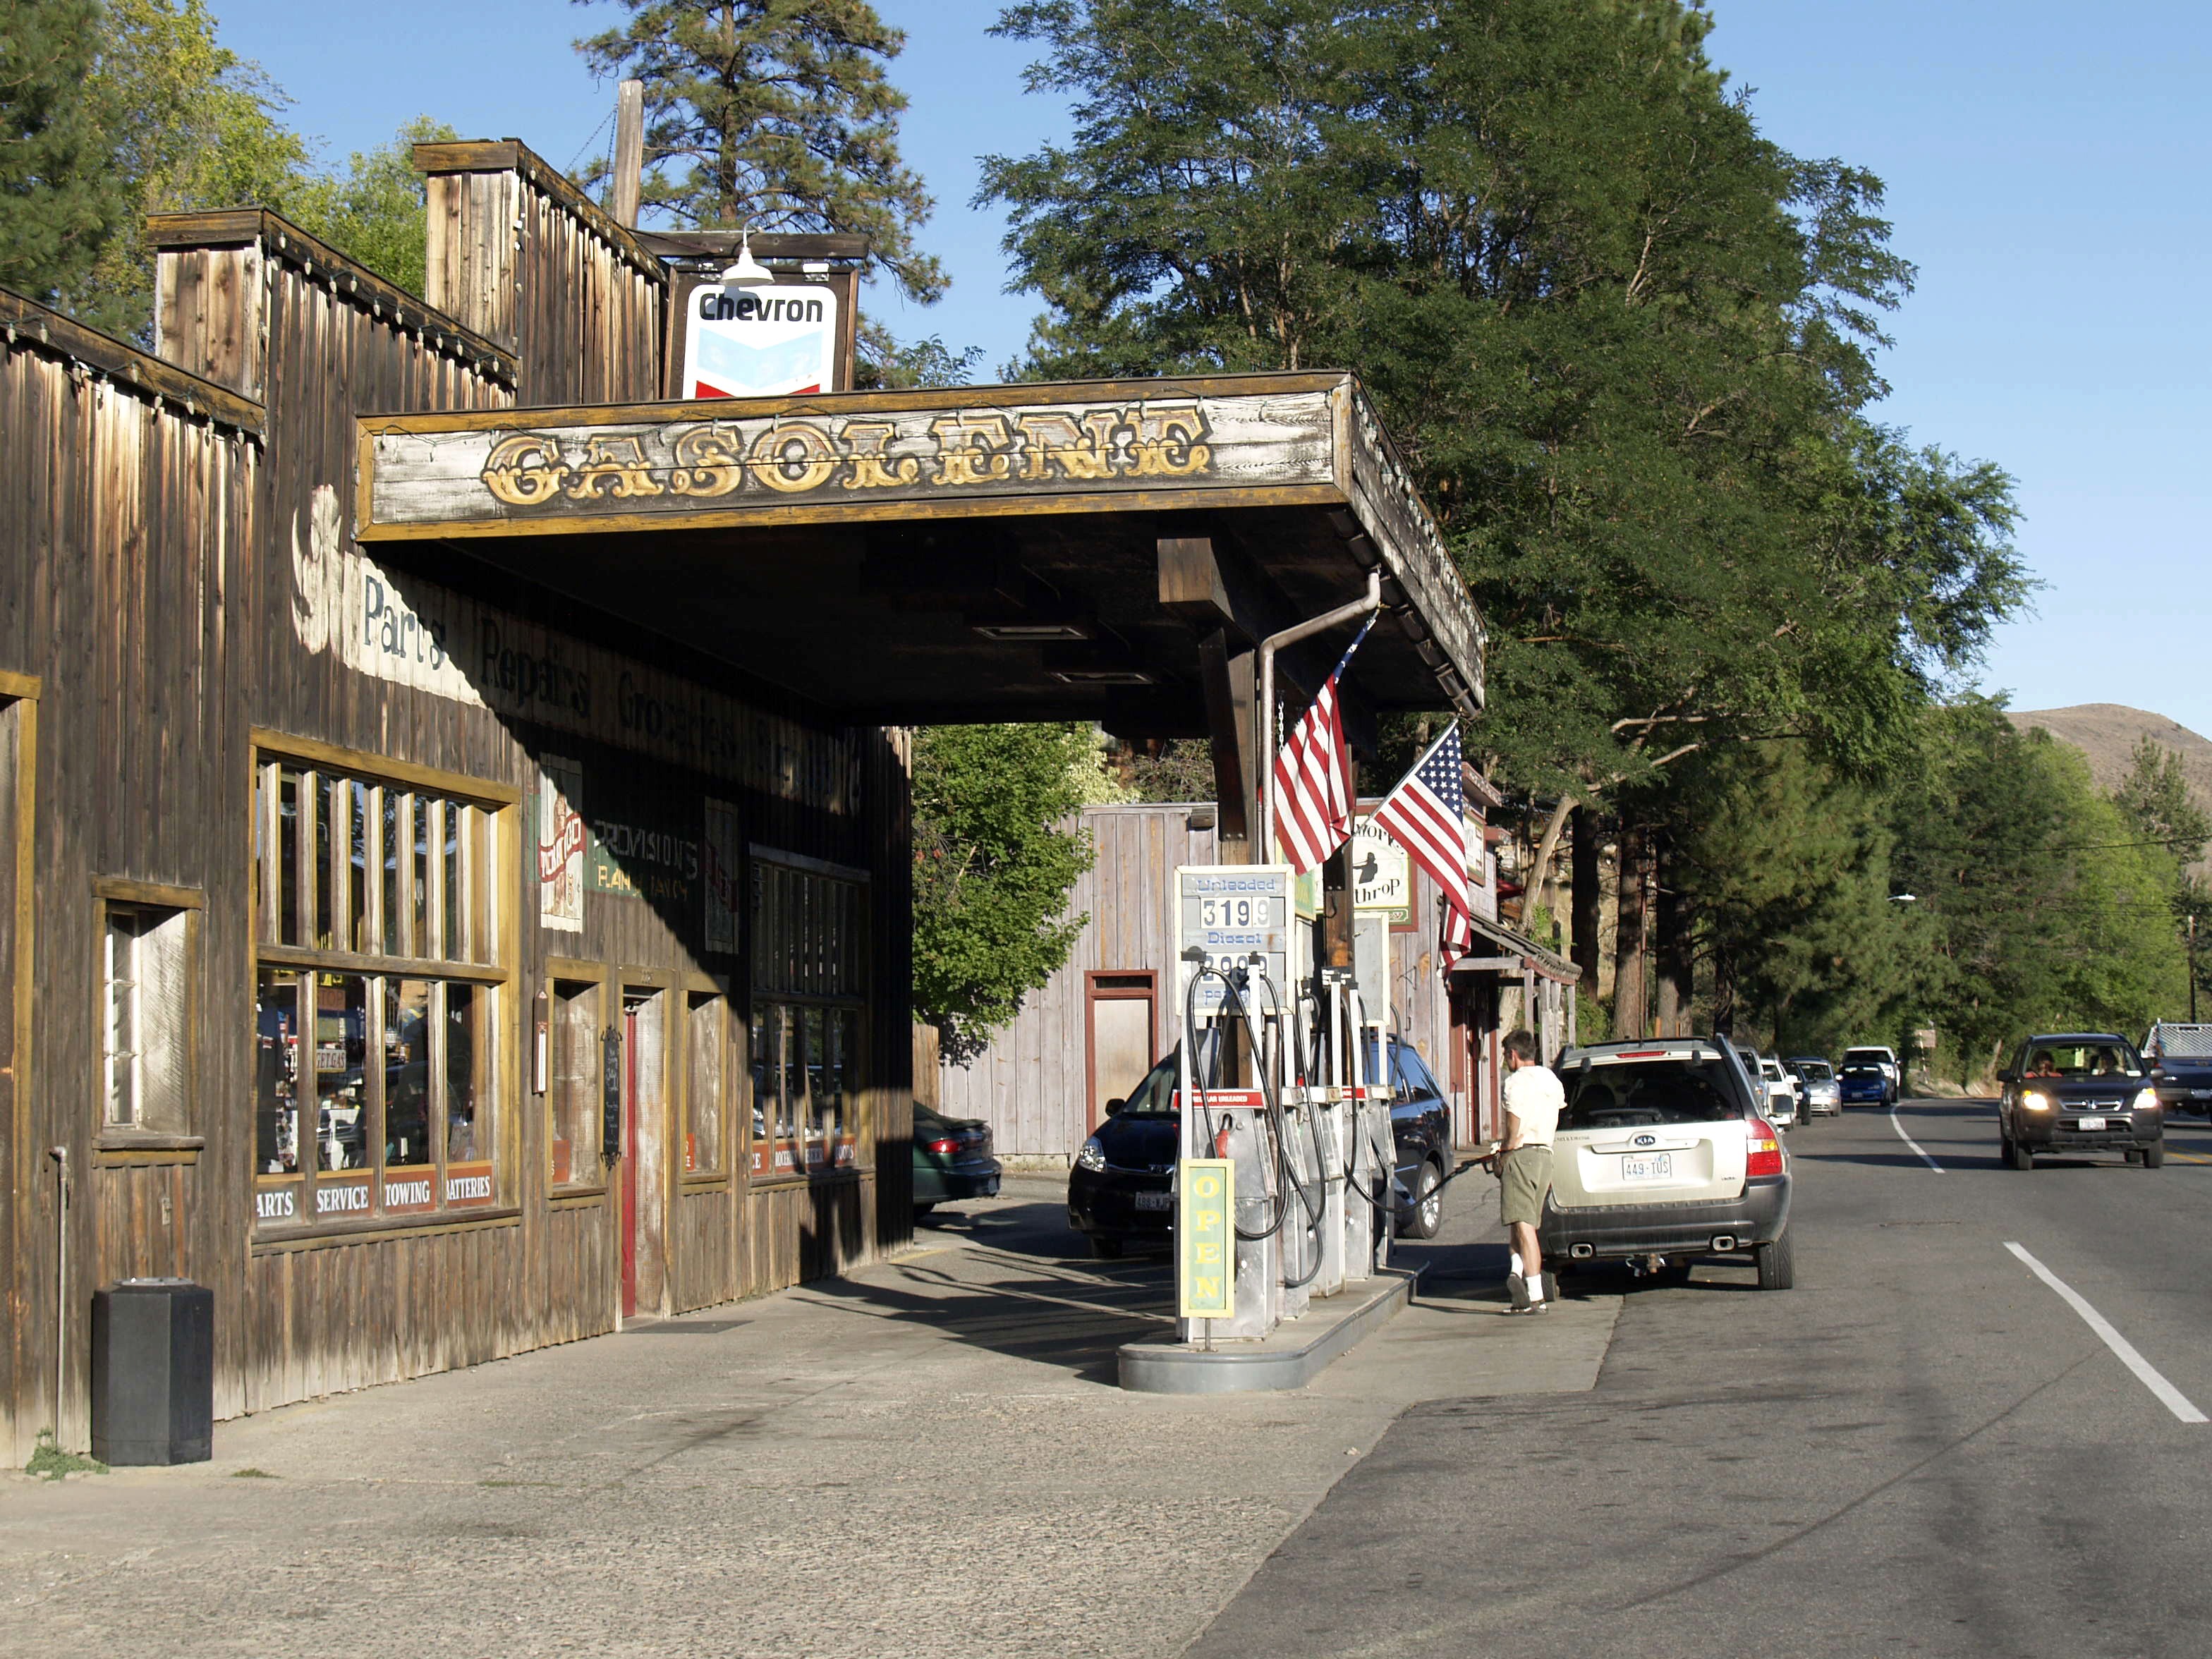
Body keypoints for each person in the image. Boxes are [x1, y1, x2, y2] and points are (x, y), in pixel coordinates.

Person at [1493, 1028, 1564, 1314]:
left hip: (1522, 1155)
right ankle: (1516, 1273)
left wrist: (1505, 1152)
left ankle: (1535, 1297)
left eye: (1505, 1055)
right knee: (1520, 1221)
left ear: (1513, 1054)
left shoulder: (1516, 1082)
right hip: (1546, 1153)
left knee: (1523, 1226)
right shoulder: (1551, 1079)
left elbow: (1514, 1125)